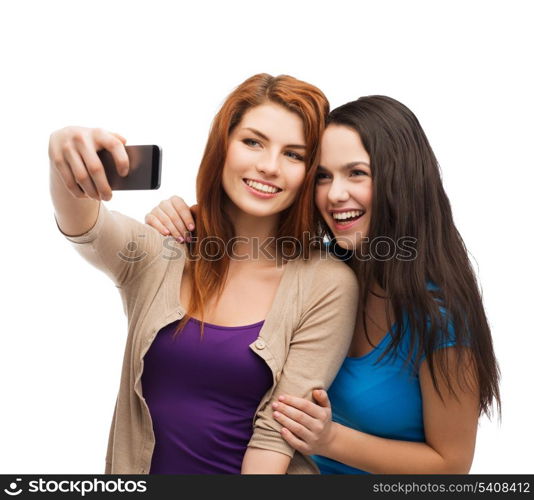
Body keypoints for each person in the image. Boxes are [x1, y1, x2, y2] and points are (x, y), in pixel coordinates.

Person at [145, 95, 501, 474]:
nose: (334, 194)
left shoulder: (440, 315)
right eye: (323, 177)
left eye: (357, 173)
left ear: (402, 180)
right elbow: (253, 238)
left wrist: (331, 439)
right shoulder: (322, 273)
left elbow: (452, 466)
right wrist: (189, 216)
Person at [49, 73, 360, 474]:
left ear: (309, 172)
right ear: (222, 146)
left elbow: (274, 438)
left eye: (294, 155)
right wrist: (63, 155)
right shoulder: (162, 251)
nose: (268, 167)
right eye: (253, 142)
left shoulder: (326, 283)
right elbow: (85, 227)